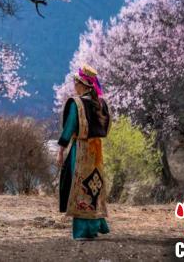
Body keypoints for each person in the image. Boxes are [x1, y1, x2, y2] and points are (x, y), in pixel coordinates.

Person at [57, 64, 111, 240]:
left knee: (80, 187)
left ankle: (81, 231)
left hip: (80, 151)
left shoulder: (77, 103)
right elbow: (107, 127)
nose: (74, 86)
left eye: (76, 82)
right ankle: (94, 227)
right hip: (96, 151)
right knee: (94, 186)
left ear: (82, 85)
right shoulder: (102, 104)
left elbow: (69, 127)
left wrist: (61, 150)